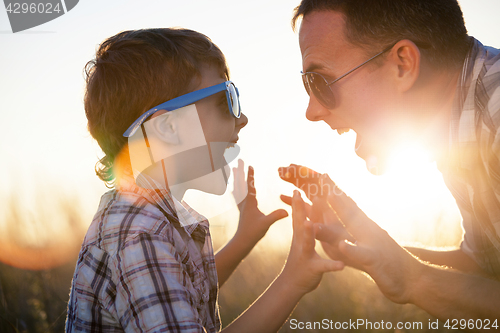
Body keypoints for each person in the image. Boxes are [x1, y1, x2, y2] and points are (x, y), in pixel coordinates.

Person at [65, 28, 344, 332]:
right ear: (169, 127)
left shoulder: (143, 217)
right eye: (226, 100)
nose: (242, 118)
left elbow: (182, 290)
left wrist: (244, 238)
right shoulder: (140, 233)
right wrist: (292, 282)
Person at [281, 0, 500, 321]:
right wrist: (367, 248)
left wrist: (413, 280)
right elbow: (486, 268)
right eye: (307, 83)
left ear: (403, 64)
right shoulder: (457, 119)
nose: (312, 111)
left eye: (320, 82)